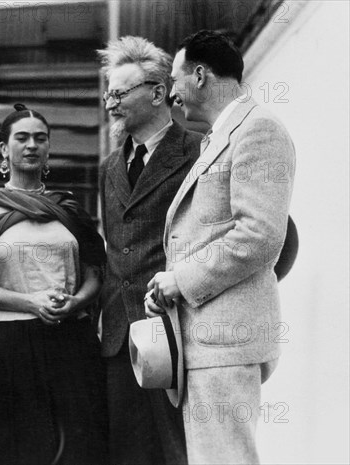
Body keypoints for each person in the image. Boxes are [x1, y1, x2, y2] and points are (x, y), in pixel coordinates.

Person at [146, 30, 295, 464]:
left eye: (174, 80)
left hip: (226, 342)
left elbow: (260, 234)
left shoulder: (258, 130)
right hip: (209, 340)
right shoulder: (221, 135)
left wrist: (182, 280)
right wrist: (170, 285)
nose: (171, 93)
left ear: (199, 75)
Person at [0, 103, 108, 465]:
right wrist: (30, 302)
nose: (31, 145)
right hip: (7, 346)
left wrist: (75, 302)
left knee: (77, 449)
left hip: (69, 339)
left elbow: (94, 275)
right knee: (12, 449)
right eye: (21, 138)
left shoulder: (68, 208)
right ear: (4, 148)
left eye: (40, 138)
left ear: (49, 148)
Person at [96, 36, 202, 465]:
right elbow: (114, 245)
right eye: (108, 94)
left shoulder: (200, 150)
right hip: (122, 339)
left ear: (158, 93)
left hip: (179, 331)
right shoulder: (109, 166)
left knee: (181, 452)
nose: (110, 104)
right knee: (127, 454)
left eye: (119, 93)